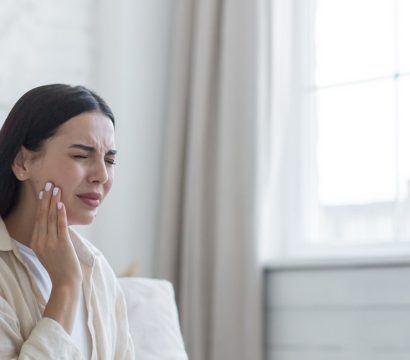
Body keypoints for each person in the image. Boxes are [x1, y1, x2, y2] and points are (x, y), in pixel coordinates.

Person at [0, 84, 135, 359]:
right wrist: (66, 285)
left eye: (109, 160)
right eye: (81, 156)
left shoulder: (96, 267)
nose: (101, 175)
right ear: (23, 162)